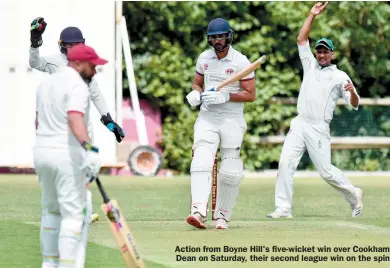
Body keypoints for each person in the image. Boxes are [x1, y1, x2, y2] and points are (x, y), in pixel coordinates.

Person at [267, 2, 364, 219]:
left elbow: (355, 103)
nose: (321, 55)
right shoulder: (309, 64)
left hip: (319, 128)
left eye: (325, 52)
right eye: (319, 51)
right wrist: (312, 15)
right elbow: (301, 39)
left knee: (326, 172)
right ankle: (283, 208)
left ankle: (354, 194)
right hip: (300, 123)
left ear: (332, 54)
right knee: (285, 163)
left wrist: (353, 92)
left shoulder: (340, 76)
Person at [30, 17, 125, 224]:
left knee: (81, 168)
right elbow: (34, 63)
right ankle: (72, 209)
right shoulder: (55, 61)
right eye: (69, 45)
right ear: (62, 46)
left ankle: (78, 208)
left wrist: (109, 122)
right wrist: (35, 41)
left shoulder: (85, 68)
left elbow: (96, 94)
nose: (73, 50)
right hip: (63, 123)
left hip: (82, 122)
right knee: (69, 165)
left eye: (76, 45)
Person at [34, 44, 106, 268]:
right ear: (78, 63)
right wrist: (90, 150)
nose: (94, 70)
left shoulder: (45, 83)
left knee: (51, 211)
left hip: (42, 153)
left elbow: (37, 122)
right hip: (65, 155)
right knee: (73, 215)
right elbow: (75, 118)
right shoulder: (77, 85)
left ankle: (49, 263)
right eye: (92, 65)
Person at [185, 18, 256, 229]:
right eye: (214, 37)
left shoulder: (241, 62)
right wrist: (195, 94)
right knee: (200, 161)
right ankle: (198, 211)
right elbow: (197, 83)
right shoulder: (204, 58)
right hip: (208, 117)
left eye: (221, 36)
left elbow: (250, 95)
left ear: (228, 36)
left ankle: (223, 215)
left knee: (231, 169)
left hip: (232, 119)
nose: (217, 40)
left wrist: (226, 97)